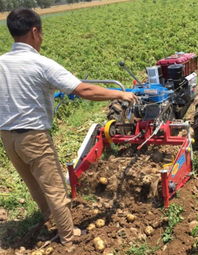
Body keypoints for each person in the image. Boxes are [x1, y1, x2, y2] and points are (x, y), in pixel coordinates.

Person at [0, 8, 137, 248]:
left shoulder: (2, 63)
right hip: (33, 136)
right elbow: (83, 89)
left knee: (33, 182)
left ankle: (48, 218)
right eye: (41, 33)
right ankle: (67, 235)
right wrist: (120, 94)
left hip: (8, 138)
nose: (41, 38)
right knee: (54, 186)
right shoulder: (40, 63)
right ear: (34, 32)